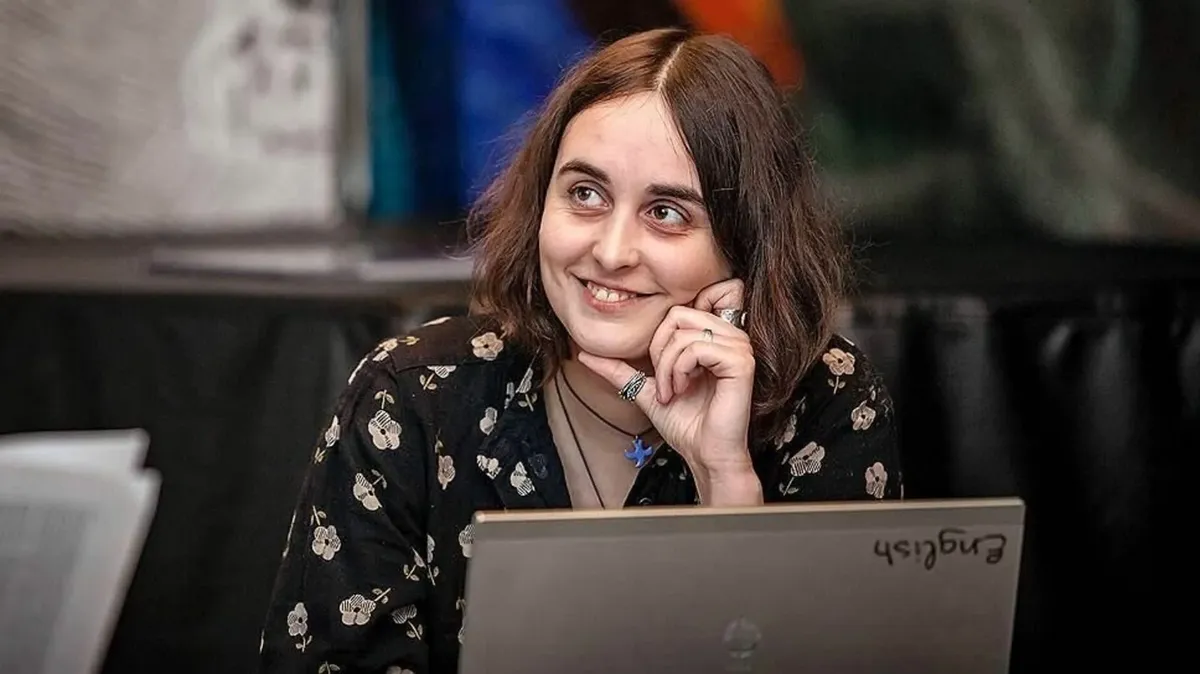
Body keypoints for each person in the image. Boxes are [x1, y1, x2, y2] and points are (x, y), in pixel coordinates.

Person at [258, 26, 902, 674]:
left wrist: (725, 482)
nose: (612, 252)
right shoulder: (410, 399)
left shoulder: (827, 401)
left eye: (667, 213)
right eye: (585, 195)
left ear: (746, 243)